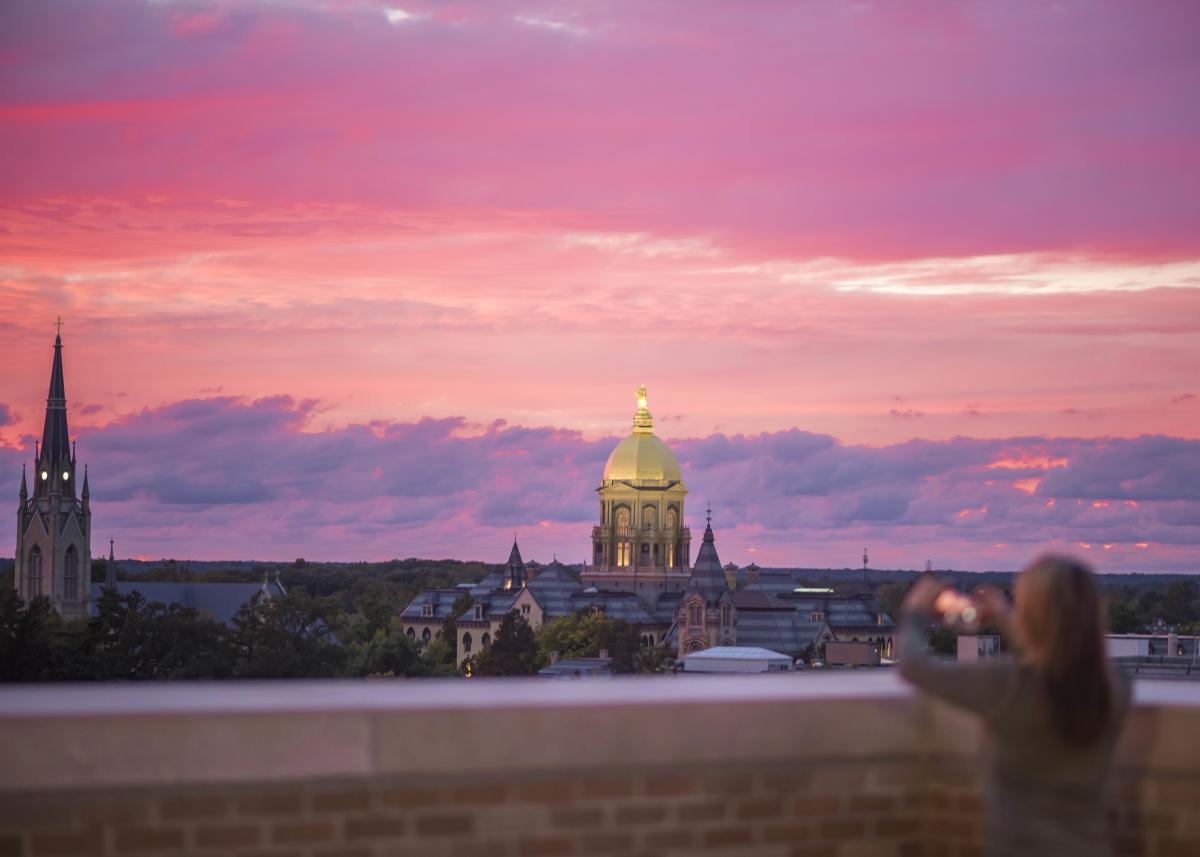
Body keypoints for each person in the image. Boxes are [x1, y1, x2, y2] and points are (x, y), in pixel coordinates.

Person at [898, 555, 1130, 857]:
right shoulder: (1116, 688)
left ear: (1032, 617)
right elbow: (1057, 661)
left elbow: (914, 665)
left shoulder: (1009, 685)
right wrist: (1003, 615)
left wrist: (914, 610)